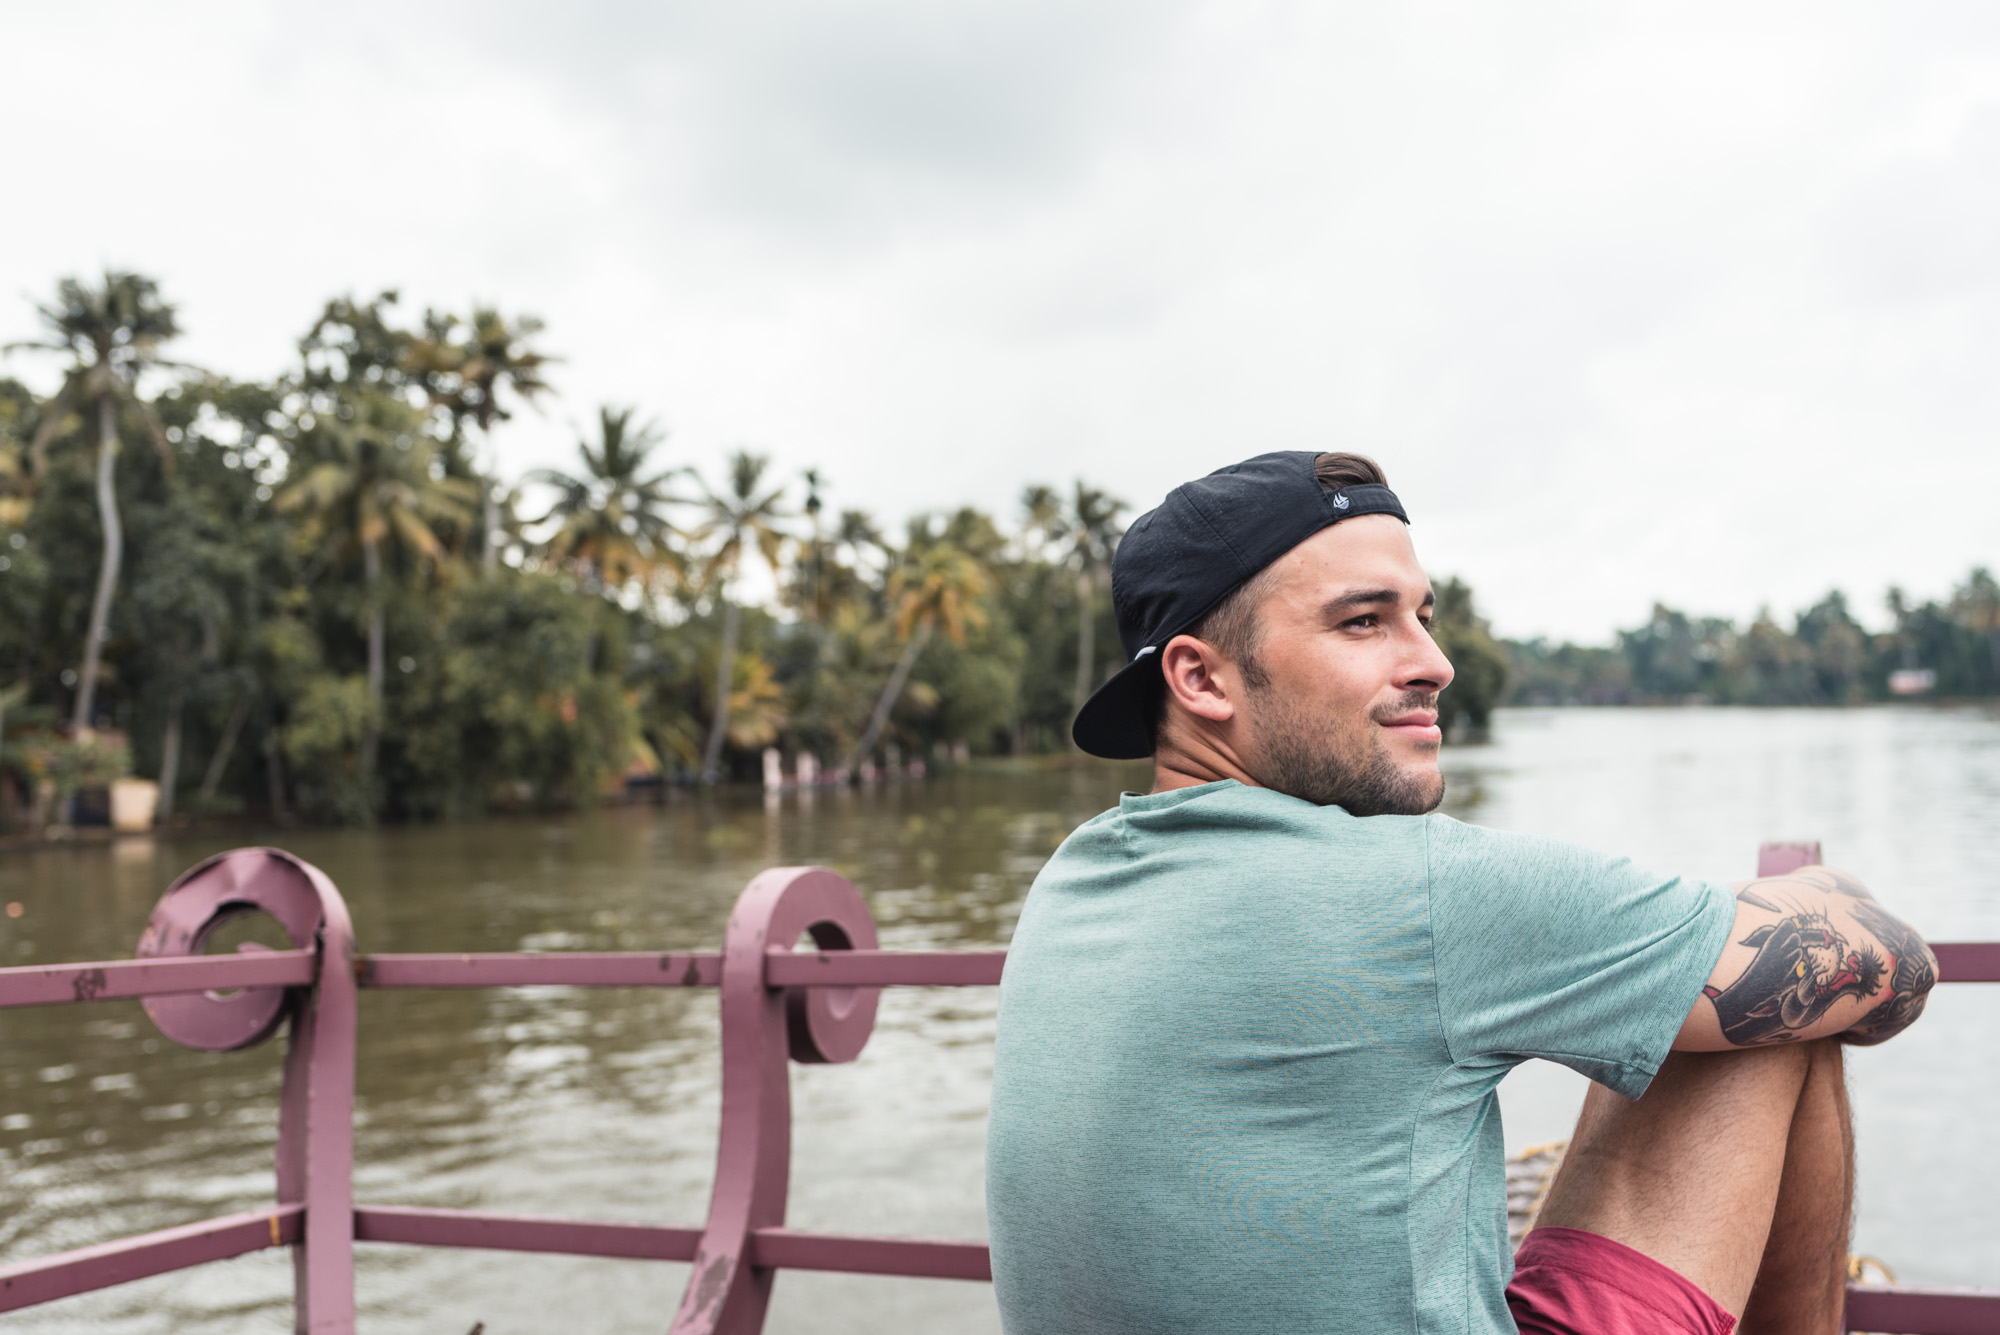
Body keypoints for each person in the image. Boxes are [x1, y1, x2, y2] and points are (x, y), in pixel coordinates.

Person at [985, 451, 1937, 1335]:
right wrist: (1815, 886)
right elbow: (1897, 968)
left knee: (1688, 981)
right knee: (1771, 998)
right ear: (1201, 677)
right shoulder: (1419, 889)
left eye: (1423, 618)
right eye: (1365, 621)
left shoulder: (1070, 878)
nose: (1434, 663)